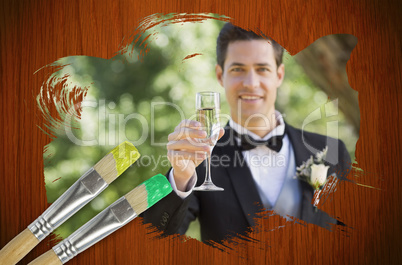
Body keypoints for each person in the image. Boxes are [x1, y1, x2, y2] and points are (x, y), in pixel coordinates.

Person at [143, 23, 351, 244]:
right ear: (220, 75)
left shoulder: (331, 151)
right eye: (238, 69)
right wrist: (181, 177)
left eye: (262, 69)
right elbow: (154, 241)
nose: (251, 83)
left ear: (279, 75)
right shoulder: (201, 156)